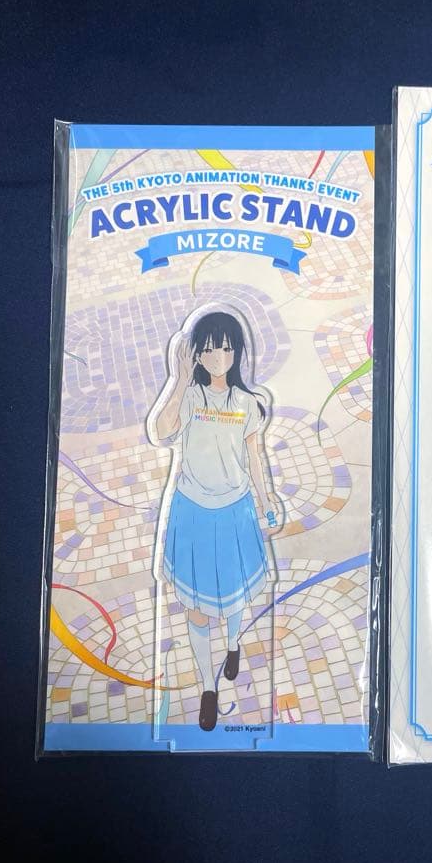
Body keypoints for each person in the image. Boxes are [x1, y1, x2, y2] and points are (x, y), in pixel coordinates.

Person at [150, 310, 281, 731]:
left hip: (235, 511)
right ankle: (209, 687)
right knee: (198, 610)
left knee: (234, 600)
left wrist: (267, 501)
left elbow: (254, 457)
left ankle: (233, 644)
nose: (218, 357)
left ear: (237, 351)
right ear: (197, 355)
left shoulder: (247, 403)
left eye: (226, 348)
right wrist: (179, 379)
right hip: (192, 512)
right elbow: (161, 431)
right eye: (208, 350)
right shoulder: (190, 398)